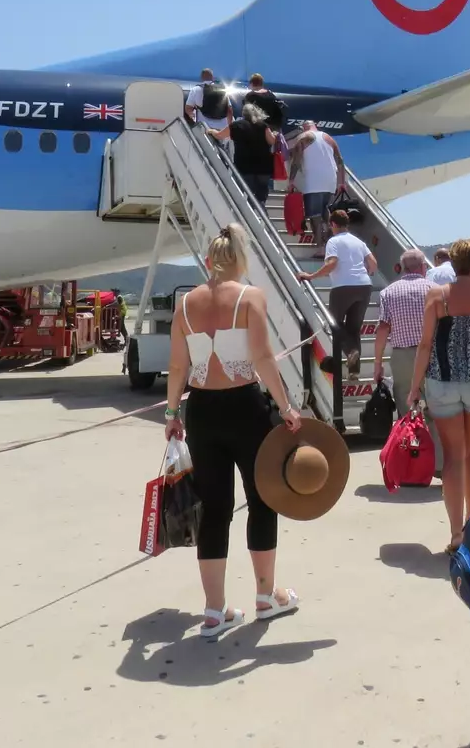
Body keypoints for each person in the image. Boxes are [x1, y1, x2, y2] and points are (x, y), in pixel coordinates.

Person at [163, 225, 304, 637]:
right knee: (263, 500)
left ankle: (213, 610)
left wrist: (172, 412)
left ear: (208, 261)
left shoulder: (185, 305)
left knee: (215, 509)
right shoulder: (249, 297)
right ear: (240, 261)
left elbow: (178, 367)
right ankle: (265, 597)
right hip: (246, 408)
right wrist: (287, 407)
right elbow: (261, 357)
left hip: (202, 412)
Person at [406, 239, 470, 554]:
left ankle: (455, 534)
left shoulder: (437, 296)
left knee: (452, 457)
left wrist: (414, 388)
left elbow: (425, 345)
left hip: (442, 383)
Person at [298, 209, 376, 381]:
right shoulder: (358, 242)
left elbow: (332, 263)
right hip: (364, 286)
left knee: (335, 325)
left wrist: (311, 276)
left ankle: (350, 352)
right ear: (346, 223)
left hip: (343, 287)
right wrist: (366, 273)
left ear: (333, 224)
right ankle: (354, 370)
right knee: (354, 328)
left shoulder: (333, 241)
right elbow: (373, 263)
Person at [372, 247, 436, 407]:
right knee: (435, 404)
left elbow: (383, 329)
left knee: (405, 402)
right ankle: (433, 432)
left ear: (402, 268)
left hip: (402, 355)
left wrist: (378, 362)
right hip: (433, 353)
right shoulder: (435, 290)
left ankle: (409, 432)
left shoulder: (388, 292)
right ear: (423, 266)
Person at [289, 120, 344, 260]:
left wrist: (291, 180)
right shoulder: (328, 138)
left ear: (304, 128)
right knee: (328, 216)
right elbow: (340, 160)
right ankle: (332, 248)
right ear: (316, 126)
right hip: (330, 181)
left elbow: (295, 160)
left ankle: (321, 249)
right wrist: (341, 182)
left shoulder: (304, 137)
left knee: (315, 217)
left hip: (313, 182)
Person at [209, 103, 278, 206]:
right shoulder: (262, 125)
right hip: (263, 166)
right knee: (261, 192)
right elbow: (272, 141)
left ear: (243, 113)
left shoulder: (236, 125)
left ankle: (251, 213)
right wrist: (275, 134)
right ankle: (261, 208)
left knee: (246, 192)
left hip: (244, 166)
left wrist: (211, 131)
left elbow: (220, 136)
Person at [185, 68, 233, 134]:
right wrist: (230, 126)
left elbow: (188, 108)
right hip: (222, 128)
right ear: (212, 77)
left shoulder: (195, 90)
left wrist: (192, 116)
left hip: (205, 127)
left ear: (201, 78)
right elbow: (229, 110)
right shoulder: (221, 89)